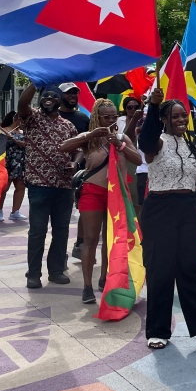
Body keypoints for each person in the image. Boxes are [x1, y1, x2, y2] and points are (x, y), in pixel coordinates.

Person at [138, 87, 196, 349]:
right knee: (160, 271)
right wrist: (153, 107)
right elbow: (146, 141)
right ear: (165, 119)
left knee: (192, 271)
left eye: (184, 116)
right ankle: (157, 331)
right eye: (175, 116)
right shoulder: (156, 142)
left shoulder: (191, 144)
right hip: (159, 211)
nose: (181, 120)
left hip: (188, 211)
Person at [60, 99, 142, 304]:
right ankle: (87, 286)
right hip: (93, 192)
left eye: (114, 116)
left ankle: (105, 279)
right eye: (107, 116)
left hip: (117, 195)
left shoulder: (122, 137)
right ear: (97, 117)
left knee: (111, 239)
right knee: (90, 239)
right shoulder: (90, 139)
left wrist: (119, 144)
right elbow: (64, 147)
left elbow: (138, 160)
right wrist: (90, 135)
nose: (112, 120)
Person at [18, 84, 78, 289]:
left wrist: (75, 162)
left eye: (54, 96)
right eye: (45, 96)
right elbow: (22, 103)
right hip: (39, 185)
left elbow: (78, 148)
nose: (49, 99)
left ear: (60, 101)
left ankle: (56, 271)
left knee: (61, 231)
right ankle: (33, 274)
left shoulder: (67, 126)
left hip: (64, 186)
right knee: (37, 231)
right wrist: (35, 83)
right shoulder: (32, 118)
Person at [57, 83, 90, 260]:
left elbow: (88, 145)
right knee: (61, 218)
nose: (73, 96)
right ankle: (59, 256)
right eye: (69, 93)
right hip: (56, 175)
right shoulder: (53, 117)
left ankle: (80, 243)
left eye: (75, 93)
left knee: (84, 209)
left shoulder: (83, 118)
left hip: (81, 173)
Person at [0, 111, 28, 222]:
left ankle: (15, 211)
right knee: (4, 188)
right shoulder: (3, 130)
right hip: (7, 161)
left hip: (20, 161)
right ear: (15, 119)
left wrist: (24, 144)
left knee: (20, 186)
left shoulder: (22, 132)